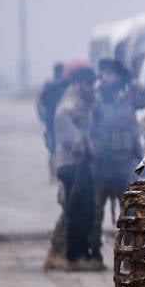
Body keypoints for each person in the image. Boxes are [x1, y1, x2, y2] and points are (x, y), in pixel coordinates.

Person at [88, 58, 145, 265]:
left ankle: (128, 255)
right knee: (95, 209)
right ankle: (93, 252)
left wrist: (132, 80)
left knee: (130, 209)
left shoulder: (128, 95)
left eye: (111, 74)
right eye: (104, 74)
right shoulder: (95, 97)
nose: (107, 78)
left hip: (125, 162)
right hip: (102, 162)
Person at [51, 67, 98, 269]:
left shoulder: (81, 101)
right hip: (71, 163)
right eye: (88, 84)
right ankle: (74, 256)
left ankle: (76, 253)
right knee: (79, 210)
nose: (91, 88)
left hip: (78, 163)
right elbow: (62, 122)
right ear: (79, 83)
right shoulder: (70, 102)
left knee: (84, 208)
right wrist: (78, 142)